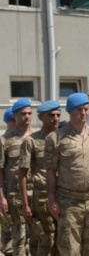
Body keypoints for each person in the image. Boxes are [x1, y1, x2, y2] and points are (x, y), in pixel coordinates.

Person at [45, 93, 89, 255]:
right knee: (69, 248)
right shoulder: (55, 138)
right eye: (79, 110)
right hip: (69, 202)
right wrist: (51, 197)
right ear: (70, 112)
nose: (84, 113)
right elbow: (51, 170)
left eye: (86, 109)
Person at [18, 100, 61, 256]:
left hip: (64, 196)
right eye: (51, 115)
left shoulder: (64, 139)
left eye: (58, 115)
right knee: (46, 239)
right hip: (41, 198)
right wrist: (25, 205)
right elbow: (22, 174)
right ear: (41, 117)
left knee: (63, 240)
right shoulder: (31, 141)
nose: (55, 119)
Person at [0, 99, 33, 256]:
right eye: (23, 113)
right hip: (14, 196)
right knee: (18, 239)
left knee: (39, 238)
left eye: (29, 113)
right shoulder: (5, 140)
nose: (27, 116)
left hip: (38, 195)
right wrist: (2, 197)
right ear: (15, 115)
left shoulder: (40, 137)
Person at [1, 107, 15, 255]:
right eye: (13, 120)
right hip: (6, 193)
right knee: (8, 231)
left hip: (22, 193)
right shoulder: (3, 141)